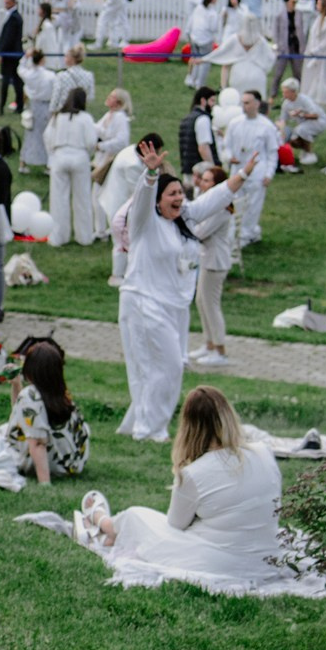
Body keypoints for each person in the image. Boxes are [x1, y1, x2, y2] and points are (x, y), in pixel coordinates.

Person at [88, 387, 285, 591]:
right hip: (267, 561)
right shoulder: (264, 451)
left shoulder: (193, 473)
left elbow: (175, 524)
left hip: (221, 565)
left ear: (189, 427)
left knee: (135, 516)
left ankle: (104, 523)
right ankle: (110, 532)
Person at [115, 155, 245, 441]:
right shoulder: (144, 221)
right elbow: (144, 195)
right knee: (167, 365)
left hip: (172, 307)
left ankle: (140, 423)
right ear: (158, 200)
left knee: (159, 367)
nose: (179, 199)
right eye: (172, 194)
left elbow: (214, 199)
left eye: (180, 193)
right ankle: (151, 429)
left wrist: (243, 174)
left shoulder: (182, 220)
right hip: (143, 302)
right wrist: (150, 174)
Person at [0, 338, 89, 485]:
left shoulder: (30, 396)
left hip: (51, 464)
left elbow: (38, 443)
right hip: (72, 463)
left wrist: (44, 482)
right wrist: (16, 385)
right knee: (1, 431)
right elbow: (24, 417)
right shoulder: (58, 391)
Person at [187, 162, 239, 368]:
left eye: (208, 180)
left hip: (215, 261)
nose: (202, 183)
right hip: (207, 258)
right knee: (202, 302)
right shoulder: (209, 203)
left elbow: (200, 231)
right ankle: (209, 344)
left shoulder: (221, 209)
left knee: (211, 305)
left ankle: (220, 350)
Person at [43, 87, 101, 245]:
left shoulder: (57, 117)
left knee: (58, 200)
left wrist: (52, 154)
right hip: (80, 157)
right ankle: (84, 237)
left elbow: (47, 136)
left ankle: (58, 237)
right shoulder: (86, 118)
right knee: (82, 199)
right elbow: (91, 141)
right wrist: (87, 154)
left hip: (59, 156)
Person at [222, 91, 280, 247]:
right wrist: (229, 157)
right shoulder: (235, 123)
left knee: (253, 205)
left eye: (247, 103)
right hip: (238, 171)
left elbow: (272, 152)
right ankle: (236, 232)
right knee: (235, 202)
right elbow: (226, 146)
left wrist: (269, 173)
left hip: (257, 173)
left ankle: (247, 233)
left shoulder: (266, 126)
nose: (244, 106)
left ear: (257, 104)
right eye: (243, 103)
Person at [0, 0, 25, 114]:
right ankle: (19, 105)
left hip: (10, 55)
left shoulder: (14, 18)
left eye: (7, 3)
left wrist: (1, 53)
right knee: (16, 81)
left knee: (8, 81)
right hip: (13, 54)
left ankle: (1, 106)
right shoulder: (13, 17)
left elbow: (8, 38)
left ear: (13, 3)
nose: (5, 5)